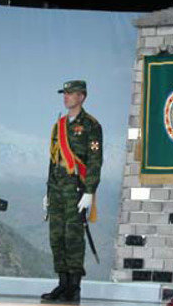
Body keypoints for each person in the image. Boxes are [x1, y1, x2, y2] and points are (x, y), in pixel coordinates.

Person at [41, 80, 103, 303]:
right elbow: (53, 159)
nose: (66, 97)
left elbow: (95, 162)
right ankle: (62, 283)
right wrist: (48, 190)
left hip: (77, 189)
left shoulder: (91, 125)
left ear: (82, 97)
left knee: (73, 237)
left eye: (70, 93)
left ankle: (74, 288)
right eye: (64, 93)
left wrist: (89, 192)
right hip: (57, 189)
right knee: (56, 236)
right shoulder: (59, 125)